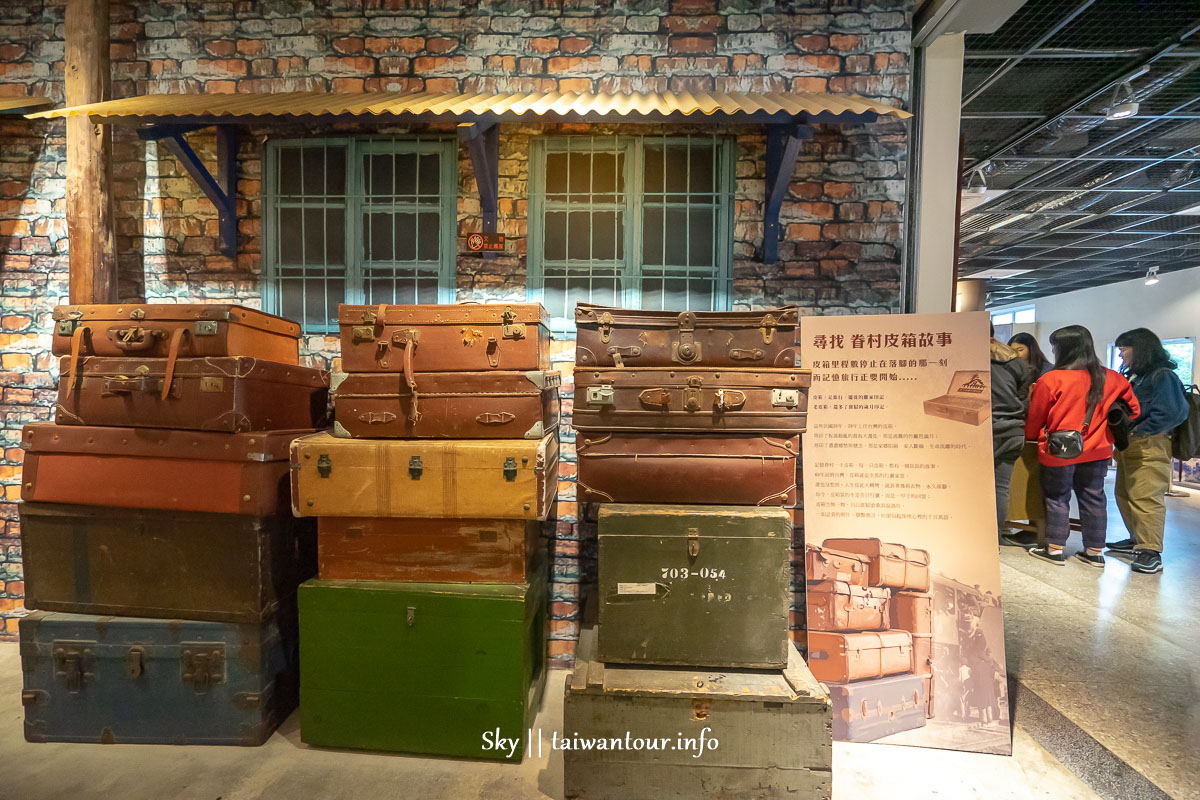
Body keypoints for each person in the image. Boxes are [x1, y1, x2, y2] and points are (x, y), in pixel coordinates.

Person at [1025, 325, 1139, 567]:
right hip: (1098, 450)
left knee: (1057, 497)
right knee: (1094, 497)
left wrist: (1031, 436)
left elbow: (1036, 416)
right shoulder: (1113, 378)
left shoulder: (1052, 379)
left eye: (1055, 345)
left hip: (1058, 450)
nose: (1053, 349)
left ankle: (1054, 549)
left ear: (1064, 349)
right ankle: (1094, 551)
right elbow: (1134, 411)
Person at [1105, 328, 1189, 574]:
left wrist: (1141, 431)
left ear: (1140, 349)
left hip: (1151, 443)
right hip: (1132, 444)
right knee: (1125, 494)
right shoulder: (1139, 376)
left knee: (1146, 497)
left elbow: (1173, 412)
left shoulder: (1163, 376)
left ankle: (1150, 551)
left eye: (1124, 349)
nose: (1121, 355)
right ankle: (1137, 539)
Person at [990, 325, 1033, 545]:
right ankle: (995, 538)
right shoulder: (1015, 361)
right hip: (1012, 429)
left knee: (965, 486)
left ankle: (969, 536)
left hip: (980, 430)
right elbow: (1023, 395)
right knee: (1000, 487)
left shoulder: (964, 353)